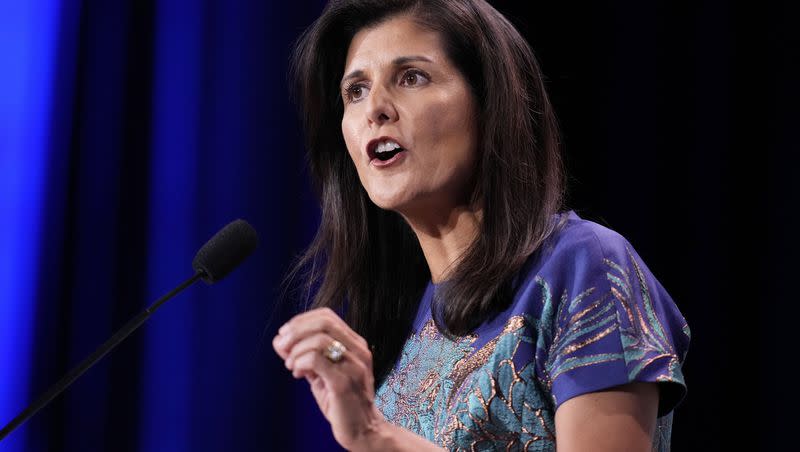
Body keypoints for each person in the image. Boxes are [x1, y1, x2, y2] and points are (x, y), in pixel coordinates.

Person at [272, 1, 690, 450]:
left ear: (490, 102)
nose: (374, 108)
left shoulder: (584, 265)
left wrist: (378, 438)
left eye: (412, 77)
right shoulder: (409, 324)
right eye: (355, 90)